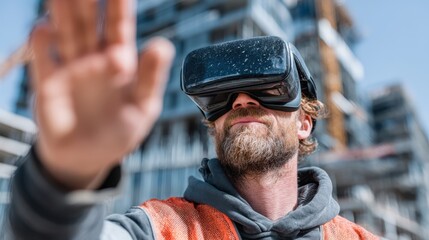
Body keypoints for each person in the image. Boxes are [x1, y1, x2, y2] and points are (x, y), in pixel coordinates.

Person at [4, 0, 380, 239]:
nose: (241, 101)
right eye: (221, 97)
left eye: (268, 89)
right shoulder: (161, 228)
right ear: (212, 124)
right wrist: (62, 182)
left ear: (304, 123)